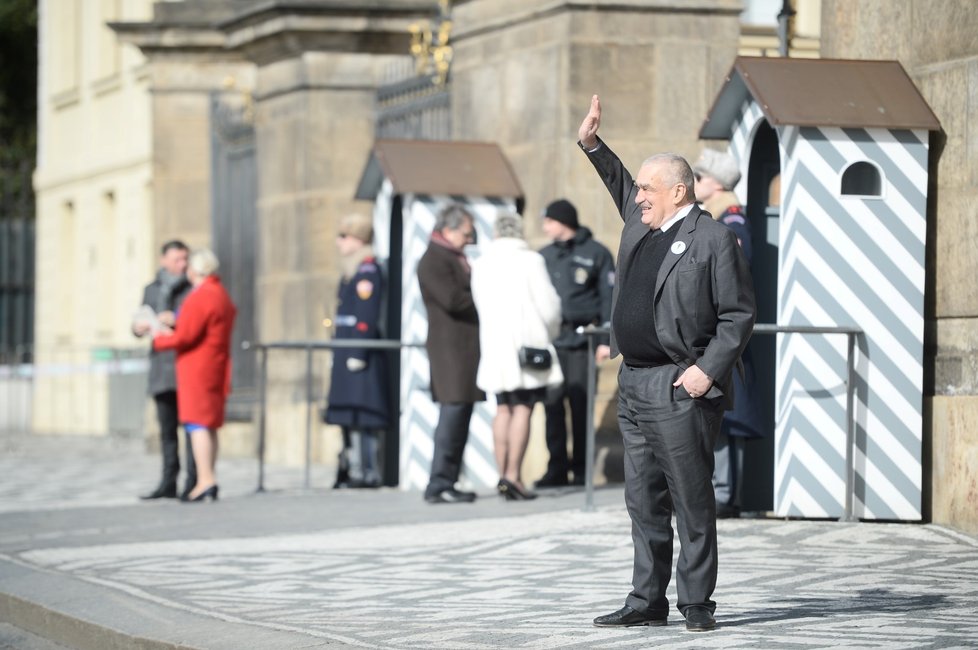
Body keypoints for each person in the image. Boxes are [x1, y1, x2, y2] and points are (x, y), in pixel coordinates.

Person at [577, 95, 756, 632]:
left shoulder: (713, 239)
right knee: (642, 499)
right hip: (634, 381)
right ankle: (646, 599)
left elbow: (738, 315)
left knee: (691, 498)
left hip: (680, 386)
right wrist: (591, 144)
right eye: (638, 191)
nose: (638, 196)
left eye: (648, 189)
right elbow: (618, 180)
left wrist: (707, 371)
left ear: (679, 191)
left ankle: (697, 603)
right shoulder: (642, 224)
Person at [471, 211, 563, 501]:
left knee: (503, 409)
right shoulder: (531, 260)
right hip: (527, 345)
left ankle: (502, 475)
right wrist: (550, 334)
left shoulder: (482, 263)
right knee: (523, 408)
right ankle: (514, 476)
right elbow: (548, 306)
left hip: (495, 346)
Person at [693, 149, 765, 519]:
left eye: (700, 176)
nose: (695, 182)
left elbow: (731, 273)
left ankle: (724, 494)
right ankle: (719, 492)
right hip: (718, 331)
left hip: (724, 333)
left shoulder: (731, 220)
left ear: (716, 183)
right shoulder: (719, 217)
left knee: (726, 418)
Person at [537, 199, 615, 488]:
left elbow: (609, 297)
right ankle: (556, 469)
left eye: (548, 221)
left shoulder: (596, 253)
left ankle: (582, 471)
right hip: (553, 342)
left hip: (584, 340)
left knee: (581, 406)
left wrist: (605, 340)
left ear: (562, 221)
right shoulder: (543, 256)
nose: (544, 227)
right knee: (552, 405)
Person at [153, 249, 237, 503]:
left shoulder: (201, 295)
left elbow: (186, 336)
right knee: (207, 425)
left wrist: (159, 338)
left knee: (197, 425)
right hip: (213, 364)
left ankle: (205, 480)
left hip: (197, 367)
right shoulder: (219, 293)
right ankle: (207, 477)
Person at [417, 203, 485, 504]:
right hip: (450, 350)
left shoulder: (451, 255)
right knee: (452, 414)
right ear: (448, 230)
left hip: (463, 349)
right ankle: (439, 483)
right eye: (466, 233)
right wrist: (484, 292)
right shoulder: (435, 259)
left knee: (461, 415)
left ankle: (449, 480)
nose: (469, 239)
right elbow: (452, 300)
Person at [323, 214, 389, 489]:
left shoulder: (367, 271)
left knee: (364, 416)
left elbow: (366, 314)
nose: (339, 242)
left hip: (358, 352)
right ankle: (351, 468)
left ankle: (367, 471)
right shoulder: (352, 269)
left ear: (359, 240)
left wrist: (358, 353)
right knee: (348, 416)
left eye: (344, 237)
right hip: (345, 348)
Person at [132, 240, 195, 500]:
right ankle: (168, 482)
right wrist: (138, 327)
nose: (183, 264)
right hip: (161, 366)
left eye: (185, 259)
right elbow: (138, 319)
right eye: (178, 259)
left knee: (192, 428)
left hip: (184, 366)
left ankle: (194, 481)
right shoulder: (151, 289)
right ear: (164, 261)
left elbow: (196, 322)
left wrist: (177, 319)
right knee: (167, 431)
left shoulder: (192, 289)